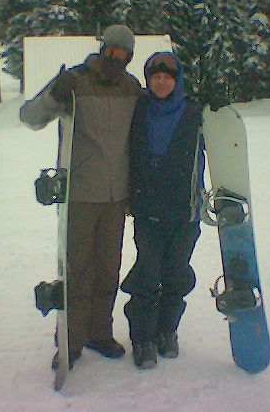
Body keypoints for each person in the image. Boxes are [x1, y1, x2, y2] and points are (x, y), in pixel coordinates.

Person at [20, 25, 143, 369]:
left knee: (108, 268)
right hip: (79, 195)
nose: (116, 59)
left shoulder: (132, 89)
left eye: (124, 54)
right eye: (111, 51)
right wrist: (54, 94)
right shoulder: (75, 82)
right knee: (78, 269)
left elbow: (155, 117)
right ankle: (71, 339)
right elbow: (29, 117)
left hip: (116, 197)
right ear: (102, 48)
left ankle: (99, 332)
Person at [121, 51, 205, 369]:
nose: (161, 81)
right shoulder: (138, 110)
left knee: (176, 275)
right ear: (148, 80)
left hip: (185, 213)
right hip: (149, 212)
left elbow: (228, 146)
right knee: (147, 274)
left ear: (177, 80)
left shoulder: (196, 114)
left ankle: (166, 331)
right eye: (155, 76)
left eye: (167, 76)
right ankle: (142, 338)